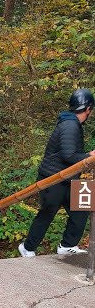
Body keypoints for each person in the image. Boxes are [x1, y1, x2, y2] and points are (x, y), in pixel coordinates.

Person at [19, 88, 95, 258]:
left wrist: (87, 156)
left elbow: (69, 153)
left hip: (66, 178)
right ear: (88, 108)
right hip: (53, 178)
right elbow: (69, 156)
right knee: (47, 212)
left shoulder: (71, 123)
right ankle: (27, 247)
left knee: (80, 210)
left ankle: (67, 245)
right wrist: (89, 156)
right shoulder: (70, 125)